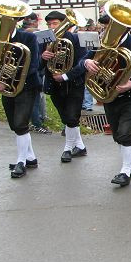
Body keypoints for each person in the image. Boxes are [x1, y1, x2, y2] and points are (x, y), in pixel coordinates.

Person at [82, 20, 131, 186]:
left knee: (126, 133)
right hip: (110, 94)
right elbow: (85, 60)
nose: (110, 28)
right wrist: (87, 63)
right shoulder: (103, 43)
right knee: (117, 134)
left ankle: (125, 171)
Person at [0, 9, 41, 178]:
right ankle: (30, 158)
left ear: (16, 21)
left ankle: (21, 161)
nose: (2, 22)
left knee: (20, 123)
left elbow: (33, 66)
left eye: (7, 19)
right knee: (16, 125)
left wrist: (5, 79)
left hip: (27, 87)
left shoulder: (28, 38)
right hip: (7, 89)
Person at [40, 11, 88, 163]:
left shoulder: (76, 39)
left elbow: (83, 64)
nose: (52, 27)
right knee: (67, 118)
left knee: (72, 116)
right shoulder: (45, 41)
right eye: (49, 24)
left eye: (55, 24)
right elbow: (36, 65)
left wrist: (66, 75)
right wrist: (43, 57)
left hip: (73, 84)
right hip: (54, 84)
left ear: (64, 24)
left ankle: (67, 148)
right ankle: (80, 147)